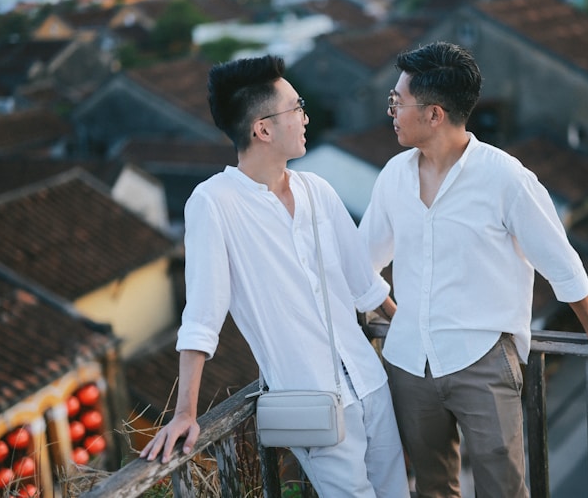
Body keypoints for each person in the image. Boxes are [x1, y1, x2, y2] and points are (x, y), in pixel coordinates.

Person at [358, 41, 588, 498]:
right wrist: (394, 312)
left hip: (481, 360)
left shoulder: (506, 179)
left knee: (503, 488)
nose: (392, 112)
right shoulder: (392, 177)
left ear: (435, 113)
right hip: (407, 363)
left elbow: (561, 262)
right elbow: (363, 264)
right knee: (431, 488)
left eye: (397, 102)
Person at [140, 55, 409, 498]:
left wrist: (416, 349)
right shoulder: (214, 203)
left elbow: (367, 286)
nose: (305, 117)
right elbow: (203, 314)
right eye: (296, 107)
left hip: (371, 384)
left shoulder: (316, 190)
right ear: (262, 129)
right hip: (312, 405)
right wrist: (185, 412)